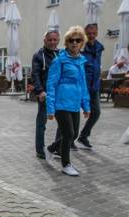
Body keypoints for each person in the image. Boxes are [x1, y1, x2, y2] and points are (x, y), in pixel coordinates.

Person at [46, 25, 91, 176]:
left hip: (74, 104)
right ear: (66, 43)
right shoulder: (59, 61)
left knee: (74, 134)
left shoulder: (80, 62)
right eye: (71, 40)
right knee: (68, 133)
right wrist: (50, 109)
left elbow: (83, 85)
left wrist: (86, 106)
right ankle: (66, 164)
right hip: (61, 104)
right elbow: (51, 85)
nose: (74, 43)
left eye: (78, 40)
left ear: (82, 43)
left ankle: (52, 148)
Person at [32, 30, 61, 160]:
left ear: (58, 40)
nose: (53, 42)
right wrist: (40, 91)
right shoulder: (39, 55)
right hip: (46, 94)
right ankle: (40, 149)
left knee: (64, 123)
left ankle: (57, 147)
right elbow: (35, 74)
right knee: (42, 123)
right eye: (50, 40)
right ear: (45, 41)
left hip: (60, 93)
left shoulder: (61, 54)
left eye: (55, 40)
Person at [76, 23, 104, 150]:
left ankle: (83, 136)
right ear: (85, 34)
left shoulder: (99, 48)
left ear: (97, 33)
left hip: (94, 87)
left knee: (96, 112)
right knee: (73, 113)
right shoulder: (80, 48)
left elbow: (97, 67)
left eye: (94, 33)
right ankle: (68, 140)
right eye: (89, 34)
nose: (92, 36)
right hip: (81, 86)